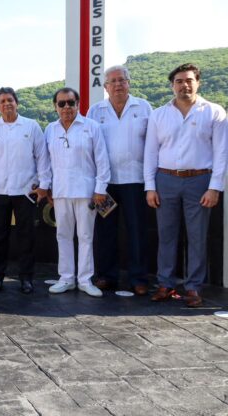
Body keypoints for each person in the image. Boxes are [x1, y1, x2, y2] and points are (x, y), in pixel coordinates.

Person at [144, 63, 227, 308]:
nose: (184, 85)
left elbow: (221, 152)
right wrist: (150, 186)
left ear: (198, 82)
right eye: (179, 81)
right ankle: (166, 284)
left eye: (189, 80)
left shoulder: (214, 112)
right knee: (166, 235)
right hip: (166, 179)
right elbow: (150, 152)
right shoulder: (159, 114)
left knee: (197, 236)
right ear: (172, 85)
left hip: (200, 180)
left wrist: (215, 187)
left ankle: (193, 288)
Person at [87, 66, 153, 295]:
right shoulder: (96, 111)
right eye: (112, 81)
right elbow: (90, 148)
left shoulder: (143, 107)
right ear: (105, 86)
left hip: (136, 181)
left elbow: (153, 144)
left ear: (129, 83)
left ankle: (138, 279)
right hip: (105, 185)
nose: (117, 85)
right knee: (105, 232)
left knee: (137, 231)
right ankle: (106, 276)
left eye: (121, 80)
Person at [0, 87, 50, 294]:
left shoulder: (31, 126)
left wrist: (43, 184)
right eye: (2, 101)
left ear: (17, 103)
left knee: (26, 237)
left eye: (10, 100)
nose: (7, 104)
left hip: (25, 191)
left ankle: (26, 278)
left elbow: (42, 157)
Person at [45, 87, 110, 297]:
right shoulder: (50, 130)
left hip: (86, 192)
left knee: (85, 236)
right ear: (55, 107)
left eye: (70, 103)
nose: (66, 107)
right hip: (61, 192)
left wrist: (100, 189)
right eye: (61, 103)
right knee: (62, 235)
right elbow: (46, 163)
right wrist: (47, 187)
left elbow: (102, 161)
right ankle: (66, 278)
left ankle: (85, 279)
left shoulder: (92, 127)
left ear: (78, 104)